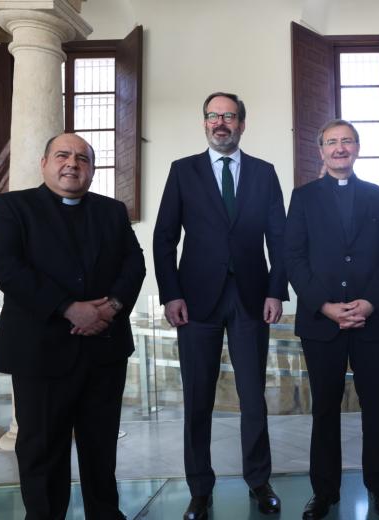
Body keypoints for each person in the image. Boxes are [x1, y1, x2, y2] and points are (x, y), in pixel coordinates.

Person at [0, 133, 145, 519]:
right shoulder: (12, 206)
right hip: (40, 352)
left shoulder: (111, 210)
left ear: (92, 170)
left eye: (82, 158)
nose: (72, 163)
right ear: (44, 163)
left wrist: (110, 306)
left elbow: (134, 264)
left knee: (101, 445)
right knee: (41, 449)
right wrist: (68, 308)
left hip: (104, 349)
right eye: (62, 155)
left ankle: (105, 514)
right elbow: (7, 268)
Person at [153, 92, 287, 518]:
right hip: (195, 302)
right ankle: (199, 487)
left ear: (242, 124)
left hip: (250, 298)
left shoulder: (264, 173)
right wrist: (171, 293)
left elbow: (279, 239)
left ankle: (259, 481)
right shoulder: (182, 171)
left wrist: (275, 290)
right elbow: (163, 238)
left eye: (229, 116)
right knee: (198, 397)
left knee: (253, 397)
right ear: (205, 123)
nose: (221, 122)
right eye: (213, 116)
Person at [284, 119, 379, 519]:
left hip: (373, 321)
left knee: (376, 407)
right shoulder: (302, 198)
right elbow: (294, 258)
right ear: (320, 151)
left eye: (347, 141)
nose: (339, 148)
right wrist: (324, 305)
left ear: (357, 148)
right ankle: (325, 492)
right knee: (324, 409)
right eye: (331, 142)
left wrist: (369, 302)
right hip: (322, 323)